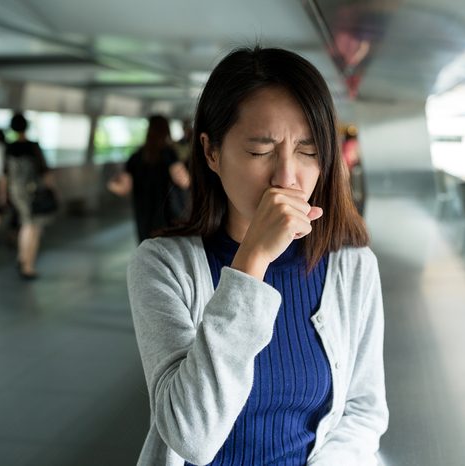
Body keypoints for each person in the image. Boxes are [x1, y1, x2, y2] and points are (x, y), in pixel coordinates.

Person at [127, 46, 388, 466]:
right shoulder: (163, 267)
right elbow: (190, 436)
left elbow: (363, 411)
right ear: (211, 152)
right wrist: (252, 264)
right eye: (260, 151)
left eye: (307, 151)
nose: (286, 177)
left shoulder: (352, 266)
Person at [108, 114, 191, 242]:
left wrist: (111, 183)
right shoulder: (170, 154)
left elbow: (123, 188)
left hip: (144, 215)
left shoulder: (136, 157)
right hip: (168, 216)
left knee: (148, 250)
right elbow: (184, 181)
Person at [2, 113, 55, 279]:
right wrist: (52, 190)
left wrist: (3, 195)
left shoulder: (9, 148)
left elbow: (4, 175)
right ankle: (28, 265)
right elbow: (45, 171)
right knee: (33, 227)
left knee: (25, 223)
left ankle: (21, 257)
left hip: (16, 192)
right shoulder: (33, 147)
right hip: (33, 192)